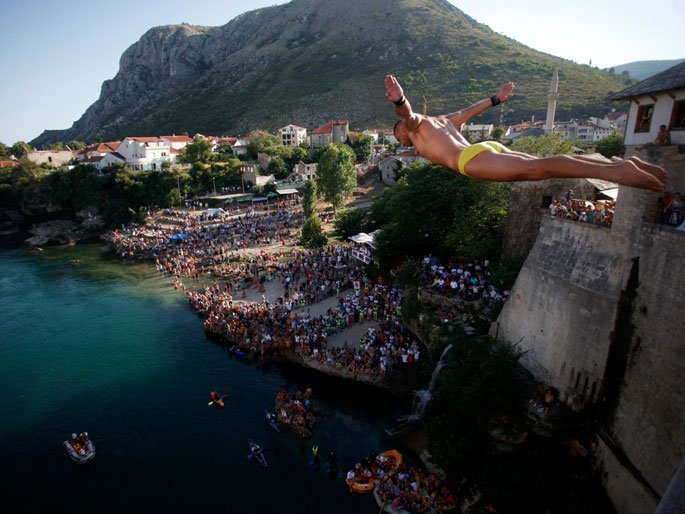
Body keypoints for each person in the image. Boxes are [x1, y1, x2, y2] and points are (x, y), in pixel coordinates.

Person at [385, 75, 667, 193]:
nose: (401, 140)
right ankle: (616, 165)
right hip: (485, 148)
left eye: (399, 137)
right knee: (540, 164)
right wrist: (496, 99)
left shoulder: (414, 127)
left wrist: (400, 100)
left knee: (539, 169)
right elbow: (469, 111)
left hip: (468, 160)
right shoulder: (442, 120)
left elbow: (407, 115)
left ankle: (616, 173)